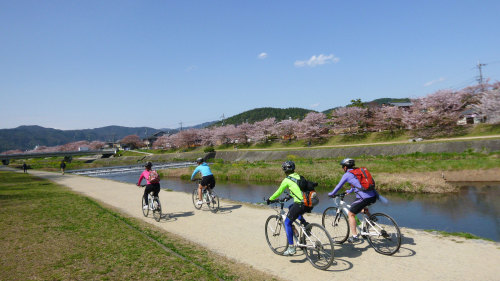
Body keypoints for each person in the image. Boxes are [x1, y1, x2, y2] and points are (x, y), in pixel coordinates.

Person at [328, 158, 377, 243]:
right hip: (373, 195)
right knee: (360, 207)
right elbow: (359, 184)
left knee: (351, 214)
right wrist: (350, 191)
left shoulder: (347, 174)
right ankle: (372, 218)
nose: (342, 168)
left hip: (364, 198)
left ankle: (355, 236)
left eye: (342, 167)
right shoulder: (358, 171)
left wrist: (332, 193)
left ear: (345, 167)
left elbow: (339, 186)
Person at [267, 160, 310, 256]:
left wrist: (270, 199)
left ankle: (291, 248)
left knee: (287, 222)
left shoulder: (286, 180)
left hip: (300, 203)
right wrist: (290, 196)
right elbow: (298, 190)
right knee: (291, 207)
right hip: (308, 202)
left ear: (284, 170)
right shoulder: (299, 176)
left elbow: (279, 192)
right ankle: (305, 224)